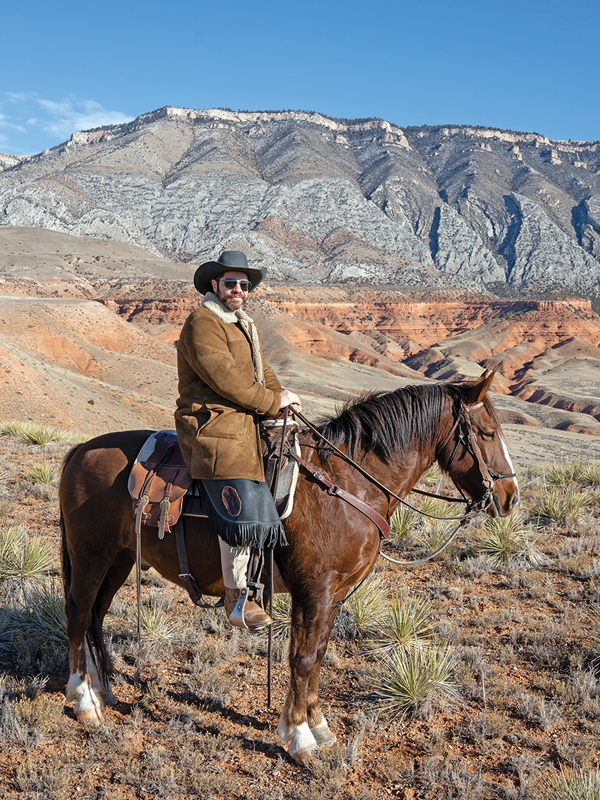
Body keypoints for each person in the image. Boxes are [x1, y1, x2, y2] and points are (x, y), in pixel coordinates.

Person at [174, 250, 302, 630]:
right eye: (231, 283)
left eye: (244, 285)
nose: (238, 290)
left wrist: (284, 400)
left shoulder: (243, 325)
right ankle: (237, 597)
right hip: (214, 424)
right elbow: (224, 377)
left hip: (245, 417)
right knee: (240, 482)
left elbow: (263, 374)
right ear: (215, 285)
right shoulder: (203, 322)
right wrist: (268, 403)